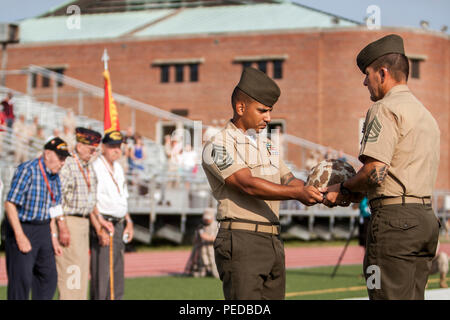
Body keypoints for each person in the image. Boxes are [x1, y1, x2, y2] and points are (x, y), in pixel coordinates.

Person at [322, 34, 440, 300]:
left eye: (367, 74)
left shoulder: (384, 109)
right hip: (425, 219)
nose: (365, 81)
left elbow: (376, 171)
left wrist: (340, 188)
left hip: (394, 223)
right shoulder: (425, 115)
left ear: (383, 73)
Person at [201, 67, 323, 300]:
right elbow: (246, 183)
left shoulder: (265, 145)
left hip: (272, 239)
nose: (268, 117)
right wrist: (298, 195)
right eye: (263, 110)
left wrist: (319, 191)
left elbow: (289, 179)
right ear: (240, 107)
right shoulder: (217, 145)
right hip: (242, 239)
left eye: (270, 111)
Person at [4, 137, 70, 300]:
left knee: (48, 277)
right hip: (23, 227)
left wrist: (53, 237)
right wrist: (20, 236)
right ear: (47, 154)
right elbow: (10, 204)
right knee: (22, 280)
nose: (62, 162)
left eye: (64, 159)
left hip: (43, 229)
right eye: (60, 158)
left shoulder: (54, 176)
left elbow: (53, 208)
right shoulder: (28, 170)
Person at [55, 127, 101, 300]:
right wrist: (62, 226)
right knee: (71, 272)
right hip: (70, 221)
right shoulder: (69, 165)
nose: (93, 153)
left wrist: (99, 223)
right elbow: (57, 198)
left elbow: (91, 200)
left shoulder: (88, 166)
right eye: (91, 149)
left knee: (81, 271)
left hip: (83, 222)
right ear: (80, 146)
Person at [90, 130, 134, 300]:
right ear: (103, 147)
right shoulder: (96, 167)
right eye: (112, 146)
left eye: (119, 146)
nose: (117, 150)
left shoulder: (118, 168)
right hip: (104, 222)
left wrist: (129, 222)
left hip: (119, 222)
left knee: (117, 272)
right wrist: (98, 225)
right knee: (102, 274)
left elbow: (123, 199)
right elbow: (91, 200)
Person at [184, 208, 219, 278]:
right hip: (202, 251)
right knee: (199, 273)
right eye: (205, 218)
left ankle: (213, 271)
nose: (206, 220)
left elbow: (217, 239)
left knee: (215, 274)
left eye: (208, 218)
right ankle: (203, 271)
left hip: (212, 250)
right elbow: (196, 239)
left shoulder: (216, 226)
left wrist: (207, 237)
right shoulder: (201, 226)